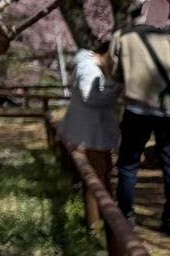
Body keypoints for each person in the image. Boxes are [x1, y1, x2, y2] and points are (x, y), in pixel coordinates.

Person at [111, 21, 170, 237]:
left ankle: (126, 215)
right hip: (167, 110)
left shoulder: (122, 36)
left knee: (129, 164)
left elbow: (114, 72)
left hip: (135, 108)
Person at [59, 42, 120, 235]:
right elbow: (89, 97)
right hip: (90, 132)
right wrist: (117, 91)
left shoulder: (89, 66)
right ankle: (95, 227)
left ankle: (102, 222)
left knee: (98, 176)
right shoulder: (89, 68)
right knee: (96, 179)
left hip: (91, 130)